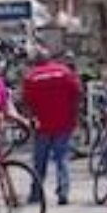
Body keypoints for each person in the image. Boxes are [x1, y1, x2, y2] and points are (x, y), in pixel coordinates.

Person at [22, 44, 84, 204]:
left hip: (42, 125)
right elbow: (78, 92)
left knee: (39, 161)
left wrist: (30, 119)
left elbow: (26, 103)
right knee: (62, 159)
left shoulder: (31, 77)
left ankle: (36, 193)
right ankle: (63, 192)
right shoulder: (65, 72)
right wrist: (74, 114)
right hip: (64, 122)